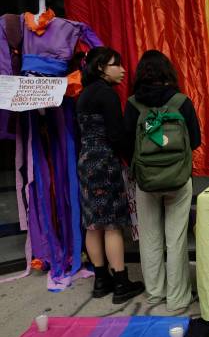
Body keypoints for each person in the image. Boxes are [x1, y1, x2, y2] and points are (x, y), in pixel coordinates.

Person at [124, 50, 201, 311]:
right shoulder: (182, 102)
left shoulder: (133, 104)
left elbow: (126, 144)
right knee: (176, 238)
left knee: (150, 237)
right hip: (178, 179)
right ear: (168, 72)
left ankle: (155, 293)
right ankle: (178, 298)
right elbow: (196, 140)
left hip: (145, 181)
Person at [76, 47, 145, 303]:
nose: (123, 70)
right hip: (105, 162)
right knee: (113, 224)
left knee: (93, 223)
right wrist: (132, 159)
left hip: (85, 160)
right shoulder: (107, 95)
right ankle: (120, 282)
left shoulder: (83, 95)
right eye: (117, 64)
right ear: (101, 68)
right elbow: (116, 135)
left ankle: (100, 280)